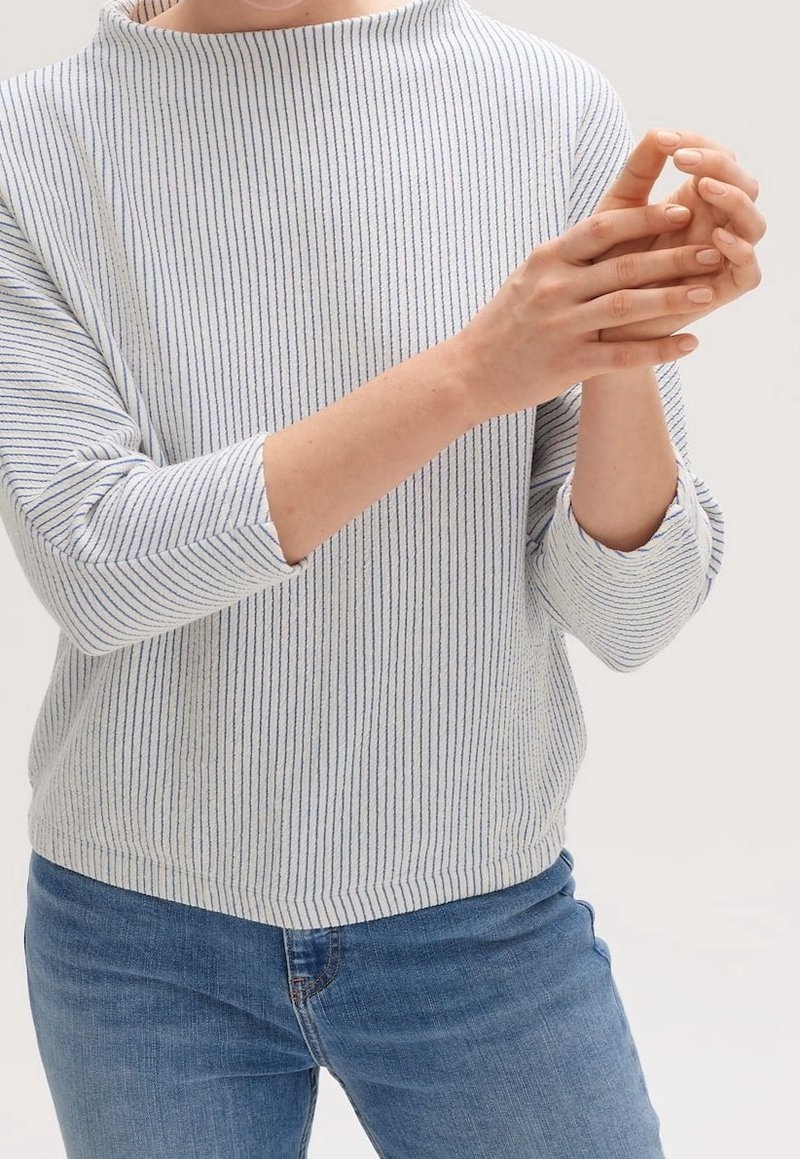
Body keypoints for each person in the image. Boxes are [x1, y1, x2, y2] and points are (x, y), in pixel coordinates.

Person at [1, 0, 764, 1155]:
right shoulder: (33, 145)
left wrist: (620, 338)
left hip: (482, 927)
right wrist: (471, 374)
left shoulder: (541, 106)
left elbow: (630, 613)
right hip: (139, 941)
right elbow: (97, 564)